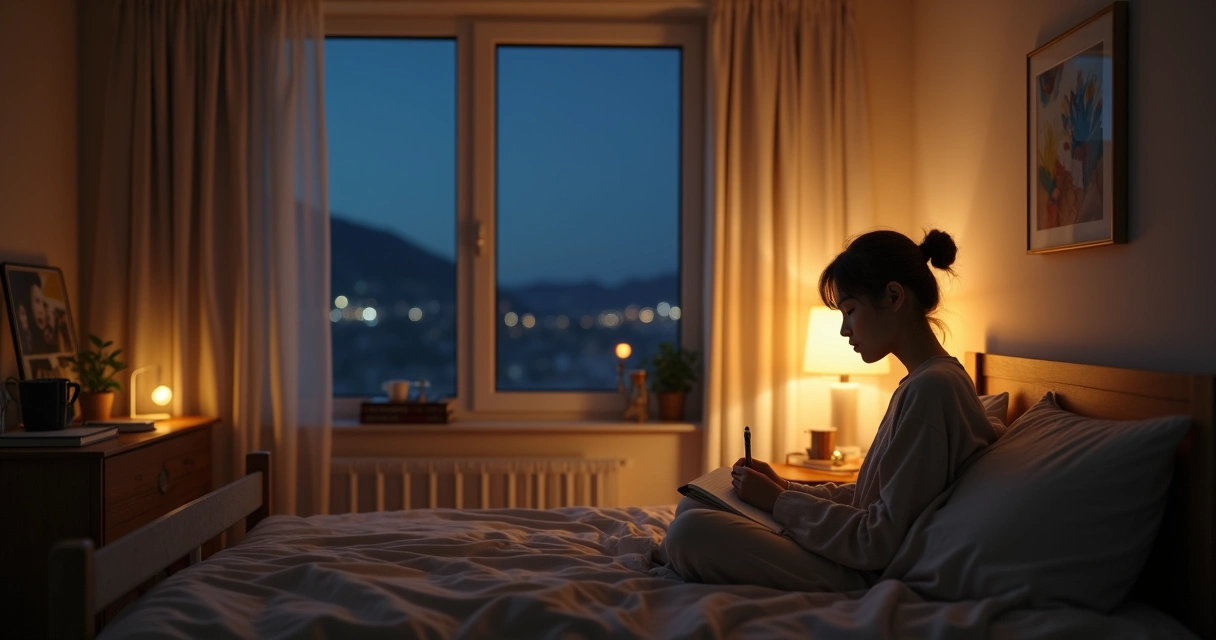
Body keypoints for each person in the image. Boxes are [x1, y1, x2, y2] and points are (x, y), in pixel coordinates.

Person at [661, 229, 1005, 592]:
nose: (844, 330)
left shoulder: (932, 389)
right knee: (693, 508)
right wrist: (784, 487)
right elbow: (867, 499)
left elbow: (877, 540)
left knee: (690, 530)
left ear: (893, 297)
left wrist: (778, 501)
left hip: (862, 571)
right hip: (851, 553)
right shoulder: (924, 382)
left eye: (850, 311)